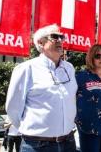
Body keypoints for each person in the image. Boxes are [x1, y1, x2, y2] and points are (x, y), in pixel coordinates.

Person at [5, 24, 77, 152]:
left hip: (68, 142)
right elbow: (13, 108)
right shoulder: (26, 69)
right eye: (55, 37)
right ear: (40, 43)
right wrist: (34, 132)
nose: (60, 40)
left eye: (62, 37)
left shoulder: (69, 68)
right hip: (37, 145)